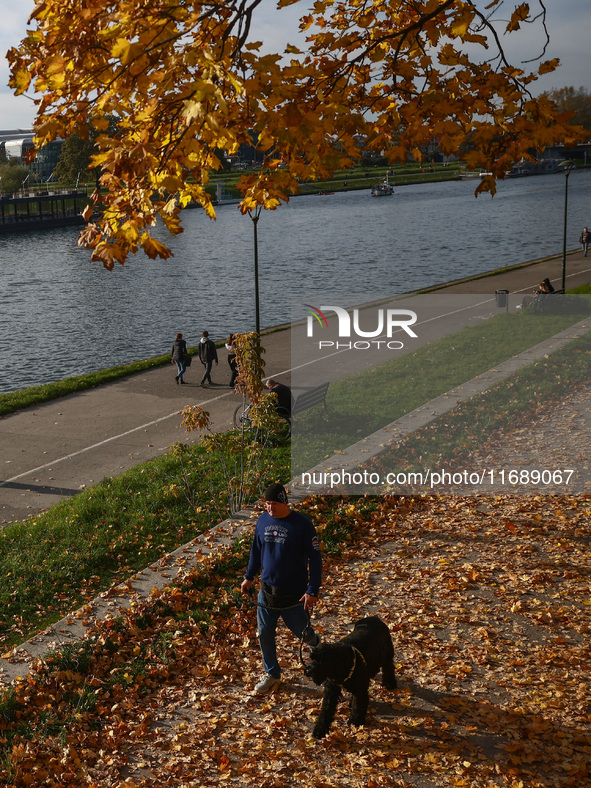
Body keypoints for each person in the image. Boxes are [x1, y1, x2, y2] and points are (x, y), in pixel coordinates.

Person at [240, 482, 322, 694]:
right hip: (267, 592)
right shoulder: (262, 521)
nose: (270, 508)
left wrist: (312, 589)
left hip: (294, 595)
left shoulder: (302, 525)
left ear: (284, 502)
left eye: (274, 503)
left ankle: (317, 646)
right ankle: (272, 674)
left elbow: (315, 558)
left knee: (303, 633)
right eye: (267, 504)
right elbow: (255, 551)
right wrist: (248, 577)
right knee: (264, 634)